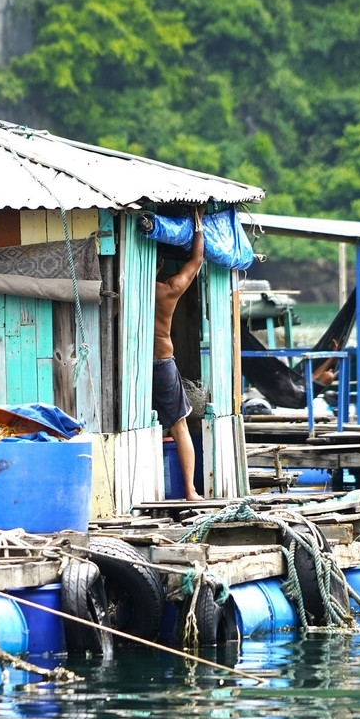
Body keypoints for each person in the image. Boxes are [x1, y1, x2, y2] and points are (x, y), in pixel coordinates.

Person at [154, 206, 204, 501]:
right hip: (161, 362)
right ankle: (190, 490)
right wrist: (197, 223)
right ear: (160, 265)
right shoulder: (169, 289)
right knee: (179, 425)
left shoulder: (123, 291)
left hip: (130, 364)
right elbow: (196, 261)